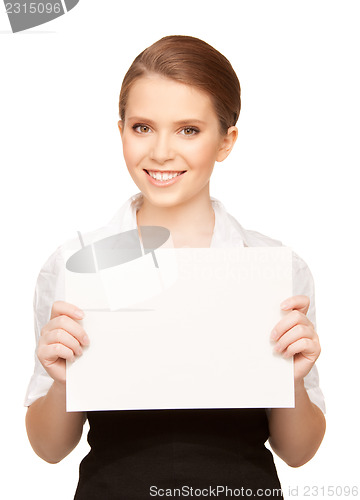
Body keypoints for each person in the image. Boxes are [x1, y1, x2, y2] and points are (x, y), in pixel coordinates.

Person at [25, 35, 326, 499]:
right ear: (121, 129)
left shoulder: (274, 269)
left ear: (226, 141)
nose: (161, 151)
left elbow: (298, 451)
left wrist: (293, 378)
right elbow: (48, 448)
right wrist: (65, 383)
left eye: (188, 129)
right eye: (143, 127)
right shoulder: (72, 266)